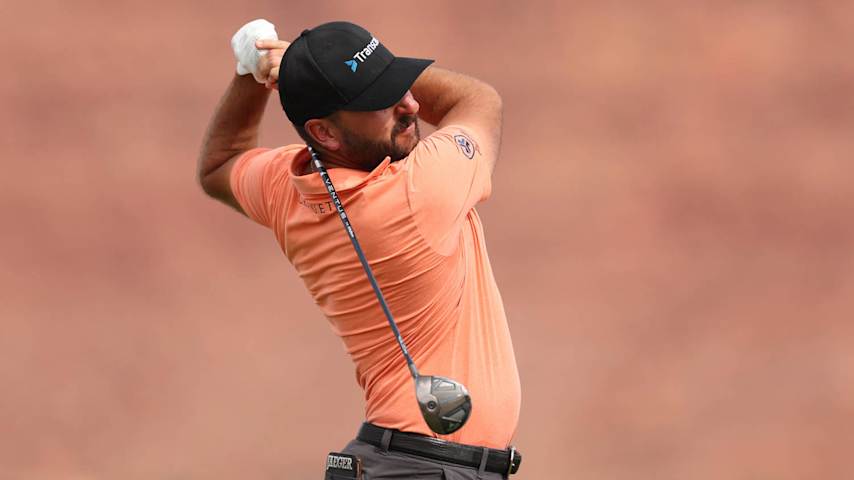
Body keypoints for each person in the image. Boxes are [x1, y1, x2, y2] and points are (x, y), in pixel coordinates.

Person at [197, 19, 522, 479]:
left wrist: (249, 74)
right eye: (380, 101)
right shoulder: (419, 192)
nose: (410, 104)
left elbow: (220, 164)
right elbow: (477, 100)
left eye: (400, 85)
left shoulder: (284, 188)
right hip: (425, 467)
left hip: (398, 462)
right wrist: (276, 64)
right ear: (324, 133)